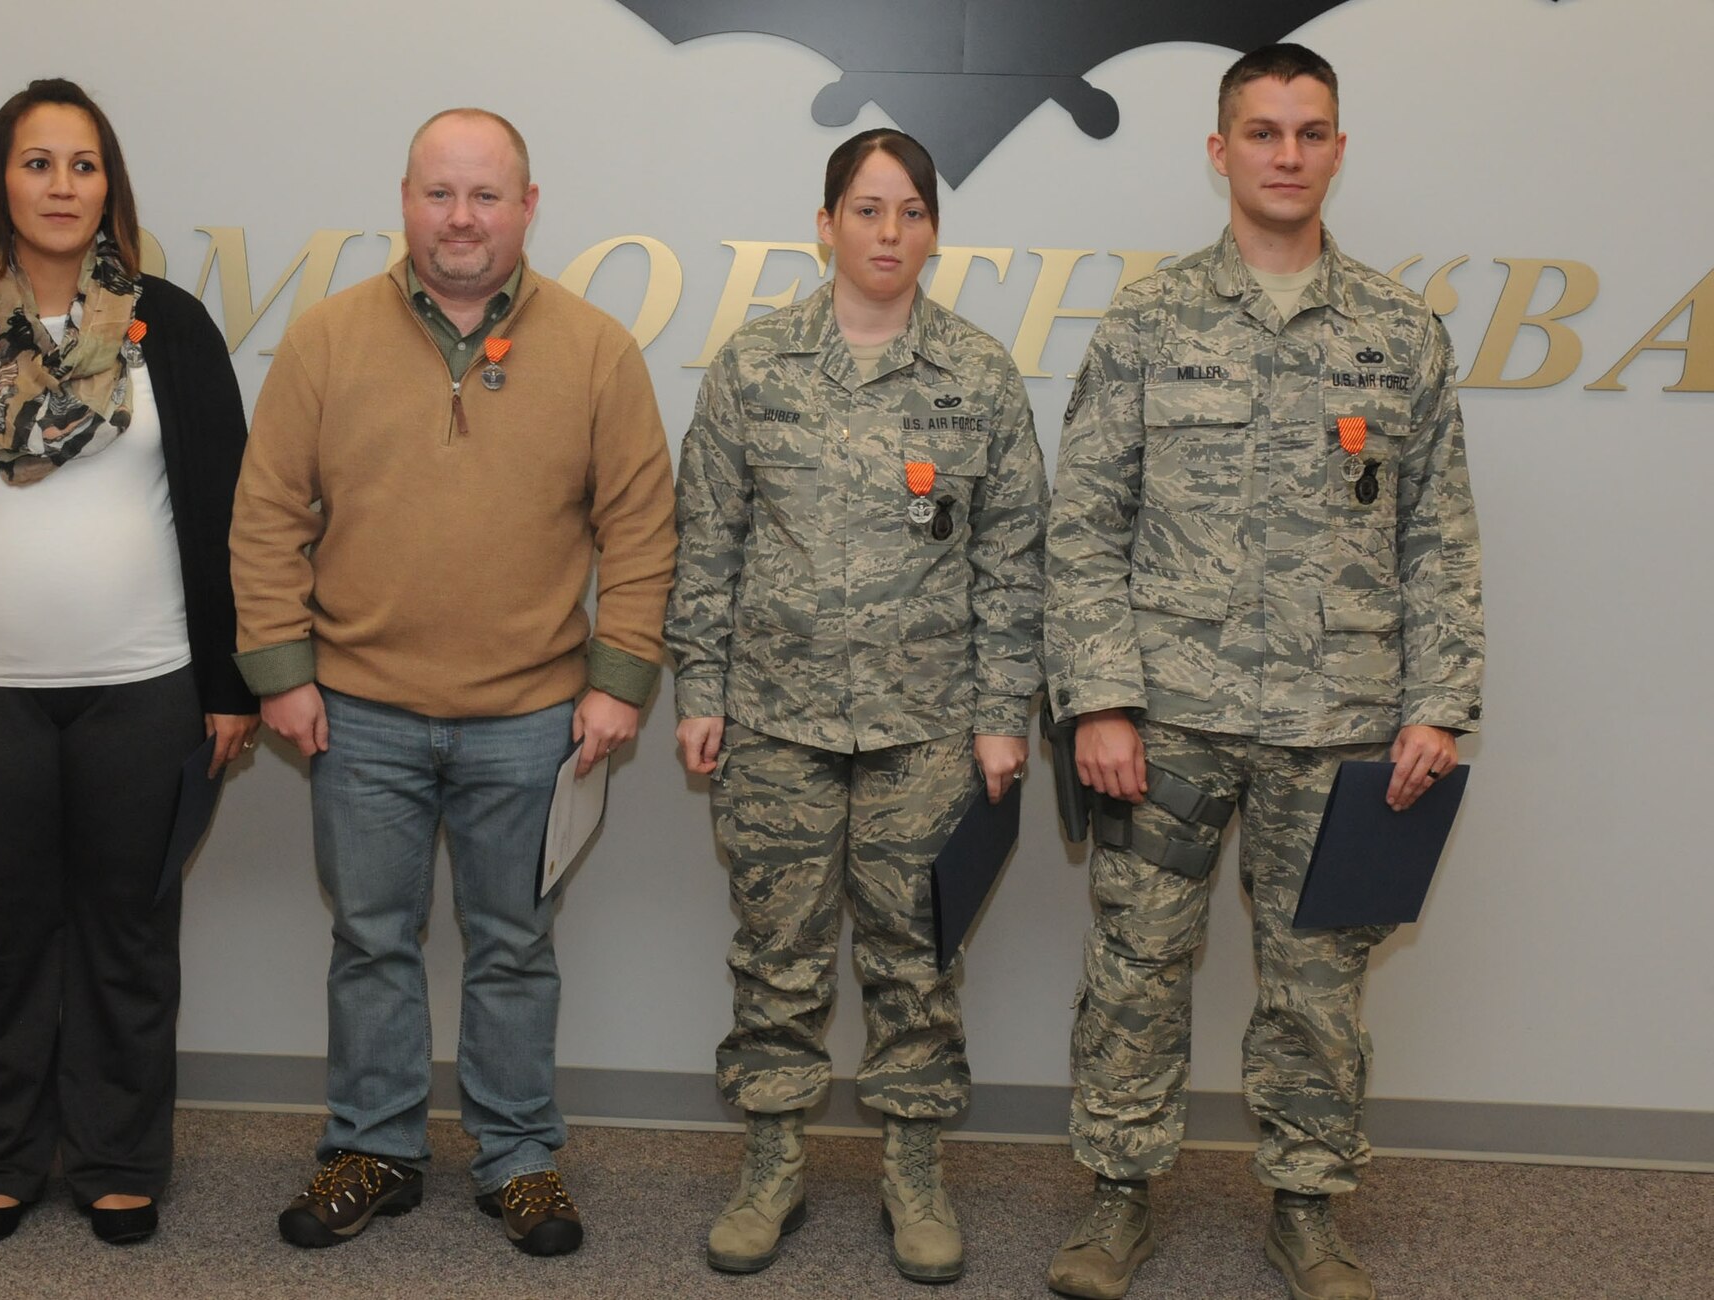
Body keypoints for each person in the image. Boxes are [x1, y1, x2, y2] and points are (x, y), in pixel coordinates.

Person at [1041, 44, 1485, 1300]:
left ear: (1337, 149)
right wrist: (1101, 696)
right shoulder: (1146, 320)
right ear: (1217, 149)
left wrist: (1436, 706)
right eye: (1261, 132)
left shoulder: (1399, 332)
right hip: (1165, 722)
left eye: (1308, 132)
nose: (1284, 155)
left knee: (1317, 988)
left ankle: (1305, 1206)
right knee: (1133, 969)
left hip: (1338, 725)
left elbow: (1435, 532)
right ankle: (1116, 1196)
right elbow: (1084, 522)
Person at [231, 107, 676, 1257]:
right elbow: (267, 511)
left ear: (528, 208)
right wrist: (281, 669)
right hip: (358, 713)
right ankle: (371, 1144)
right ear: (404, 200)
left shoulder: (593, 350)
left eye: (486, 195)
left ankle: (519, 1158)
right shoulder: (327, 340)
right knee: (371, 940)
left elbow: (638, 524)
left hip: (531, 719)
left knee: (513, 946)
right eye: (440, 193)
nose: (462, 217)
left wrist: (618, 678)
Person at [0, 79, 258, 1247]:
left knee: (129, 934)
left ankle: (120, 1157)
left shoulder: (168, 326)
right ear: (0, 184)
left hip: (147, 685)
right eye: (38, 164)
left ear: (109, 187)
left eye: (83, 165)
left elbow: (228, 511)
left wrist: (231, 682)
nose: (61, 186)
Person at [666, 128, 1046, 1284]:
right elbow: (707, 542)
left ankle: (912, 1173)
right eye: (867, 210)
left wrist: (1001, 715)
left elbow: (1013, 561)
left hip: (926, 728)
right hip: (775, 720)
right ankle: (772, 1164)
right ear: (824, 224)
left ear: (933, 230)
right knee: (775, 954)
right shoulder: (753, 365)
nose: (889, 234)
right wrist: (700, 686)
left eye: (910, 212)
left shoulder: (976, 375)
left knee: (914, 958)